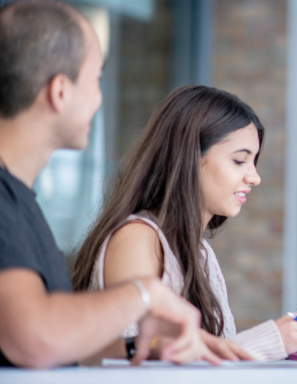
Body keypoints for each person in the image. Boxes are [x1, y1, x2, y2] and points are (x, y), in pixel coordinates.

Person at [0, 0, 218, 368]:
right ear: (60, 91)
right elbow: (33, 339)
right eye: (96, 79)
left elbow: (52, 341)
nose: (99, 99)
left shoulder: (20, 203)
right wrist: (144, 293)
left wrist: (144, 347)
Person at [71, 85, 297, 362]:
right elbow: (147, 361)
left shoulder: (200, 252)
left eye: (254, 161)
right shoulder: (137, 238)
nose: (254, 177)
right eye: (239, 160)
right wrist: (274, 338)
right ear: (189, 158)